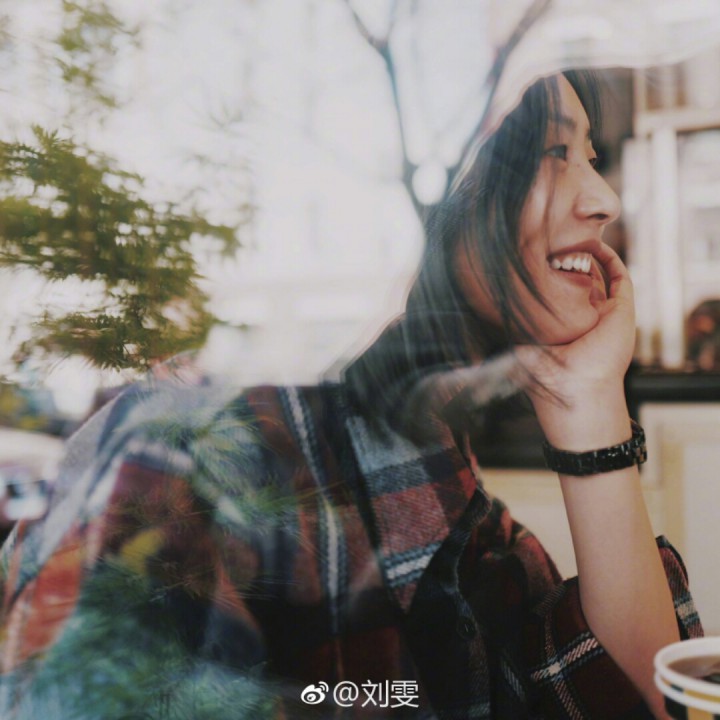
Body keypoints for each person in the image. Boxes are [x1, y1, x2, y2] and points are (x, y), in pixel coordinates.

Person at [0, 71, 702, 720]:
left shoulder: (434, 472)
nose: (604, 200)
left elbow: (637, 698)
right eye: (554, 152)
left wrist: (588, 404)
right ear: (424, 193)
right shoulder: (192, 459)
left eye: (590, 156)